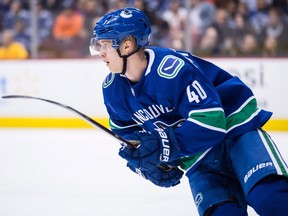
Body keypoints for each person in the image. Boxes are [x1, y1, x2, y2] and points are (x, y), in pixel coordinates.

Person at [89, 7, 288, 216]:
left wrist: (164, 146)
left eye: (105, 44)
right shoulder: (112, 90)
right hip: (197, 157)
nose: (100, 53)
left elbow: (212, 123)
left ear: (127, 45)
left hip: (235, 133)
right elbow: (129, 138)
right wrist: (149, 165)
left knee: (270, 198)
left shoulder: (170, 69)